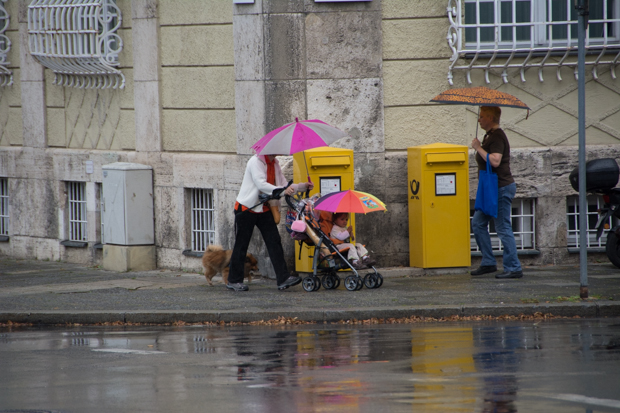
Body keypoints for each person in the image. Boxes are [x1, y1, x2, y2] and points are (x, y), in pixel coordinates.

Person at [227, 154, 313, 291]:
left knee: (274, 241)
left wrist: (303, 186)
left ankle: (283, 278)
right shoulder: (256, 161)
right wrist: (283, 191)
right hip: (246, 208)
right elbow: (261, 184)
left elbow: (284, 185)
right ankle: (234, 280)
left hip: (263, 208)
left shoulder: (275, 163)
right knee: (241, 245)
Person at [470, 106, 523, 279]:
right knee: (478, 223)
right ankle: (488, 262)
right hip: (490, 189)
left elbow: (495, 161)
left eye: (482, 116)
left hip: (500, 187)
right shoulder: (489, 136)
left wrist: (478, 148)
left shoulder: (498, 136)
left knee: (502, 227)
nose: (479, 119)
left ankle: (513, 267)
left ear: (491, 118)